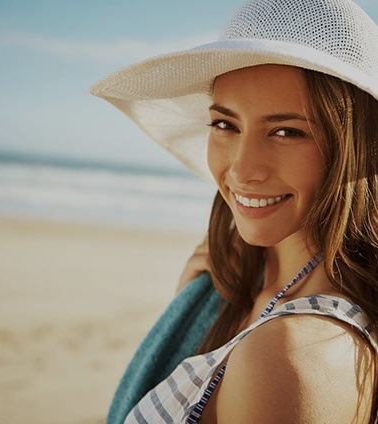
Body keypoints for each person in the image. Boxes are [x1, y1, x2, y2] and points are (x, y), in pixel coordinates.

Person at [91, 0, 378, 422]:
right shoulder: (230, 288)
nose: (242, 169)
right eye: (226, 124)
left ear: (355, 149)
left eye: (286, 131)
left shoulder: (295, 355)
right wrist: (189, 305)